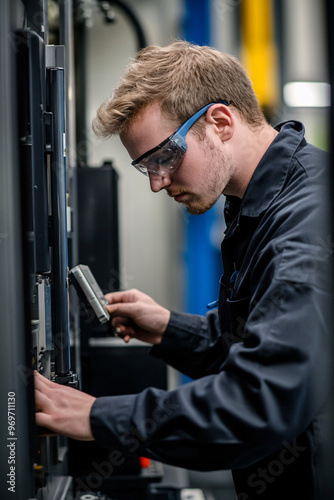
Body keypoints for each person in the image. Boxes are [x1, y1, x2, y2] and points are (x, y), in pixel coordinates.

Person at [34, 41, 331, 499]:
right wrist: (172, 329)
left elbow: (260, 402)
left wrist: (94, 417)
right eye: (145, 167)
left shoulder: (304, 226)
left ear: (220, 122)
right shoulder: (260, 205)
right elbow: (264, 343)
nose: (157, 182)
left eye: (163, 157)